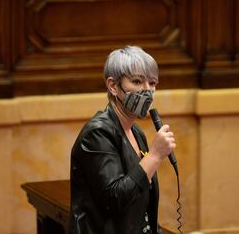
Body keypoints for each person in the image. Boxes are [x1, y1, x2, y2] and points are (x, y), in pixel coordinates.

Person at [69, 46, 176, 234]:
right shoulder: (97, 133)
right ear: (113, 86)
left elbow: (141, 205)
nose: (147, 91)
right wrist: (155, 155)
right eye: (137, 81)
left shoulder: (136, 132)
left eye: (152, 83)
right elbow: (114, 199)